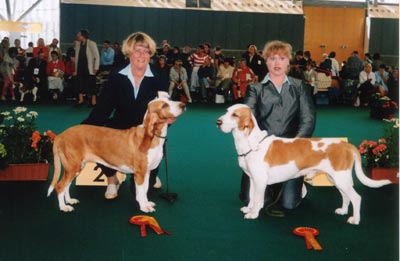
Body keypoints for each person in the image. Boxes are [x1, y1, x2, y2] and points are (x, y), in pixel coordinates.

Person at [81, 31, 166, 200]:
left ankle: (151, 172)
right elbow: (104, 107)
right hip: (121, 124)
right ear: (129, 53)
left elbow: (164, 106)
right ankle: (112, 181)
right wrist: (85, 128)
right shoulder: (116, 75)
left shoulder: (159, 76)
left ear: (150, 54)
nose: (141, 55)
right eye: (137, 50)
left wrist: (165, 122)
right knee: (98, 137)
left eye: (146, 51)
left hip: (147, 129)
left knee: (140, 193)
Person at [240, 40, 316, 215]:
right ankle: (271, 183)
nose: (277, 63)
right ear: (265, 61)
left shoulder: (300, 87)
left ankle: (296, 183)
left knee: (289, 204)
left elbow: (308, 119)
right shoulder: (255, 88)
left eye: (282, 58)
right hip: (262, 152)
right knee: (248, 198)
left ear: (288, 62)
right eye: (272, 58)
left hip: (291, 153)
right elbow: (248, 117)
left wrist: (297, 144)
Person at [74, 29, 100, 107]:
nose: (77, 36)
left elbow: (97, 56)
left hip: (89, 67)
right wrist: (75, 69)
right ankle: (81, 100)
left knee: (92, 84)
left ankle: (93, 101)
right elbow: (77, 57)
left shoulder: (92, 44)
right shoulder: (78, 44)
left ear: (83, 36)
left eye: (79, 35)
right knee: (79, 84)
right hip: (80, 67)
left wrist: (96, 67)